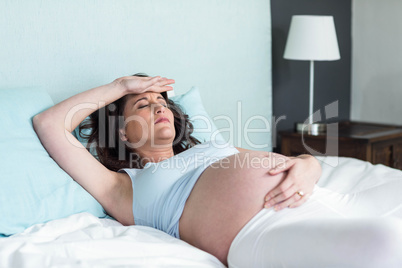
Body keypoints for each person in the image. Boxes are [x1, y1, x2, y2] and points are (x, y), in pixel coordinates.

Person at [33, 74, 402, 267]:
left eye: (162, 101)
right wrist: (121, 86)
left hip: (312, 196)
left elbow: (298, 161)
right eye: (143, 105)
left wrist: (307, 168)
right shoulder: (123, 188)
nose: (159, 106)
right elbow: (50, 124)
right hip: (262, 231)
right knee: (386, 241)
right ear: (121, 132)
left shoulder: (212, 148)